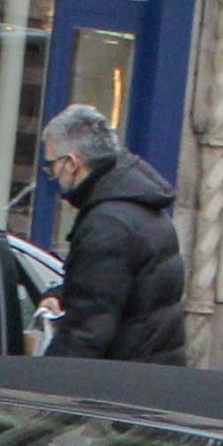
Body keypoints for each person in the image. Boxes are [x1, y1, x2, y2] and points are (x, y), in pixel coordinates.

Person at [35, 105, 186, 366]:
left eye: (51, 166)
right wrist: (61, 295)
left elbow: (87, 331)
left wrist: (44, 382)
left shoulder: (107, 224)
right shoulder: (136, 204)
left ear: (72, 163)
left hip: (122, 382)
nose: (52, 177)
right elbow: (111, 287)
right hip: (152, 373)